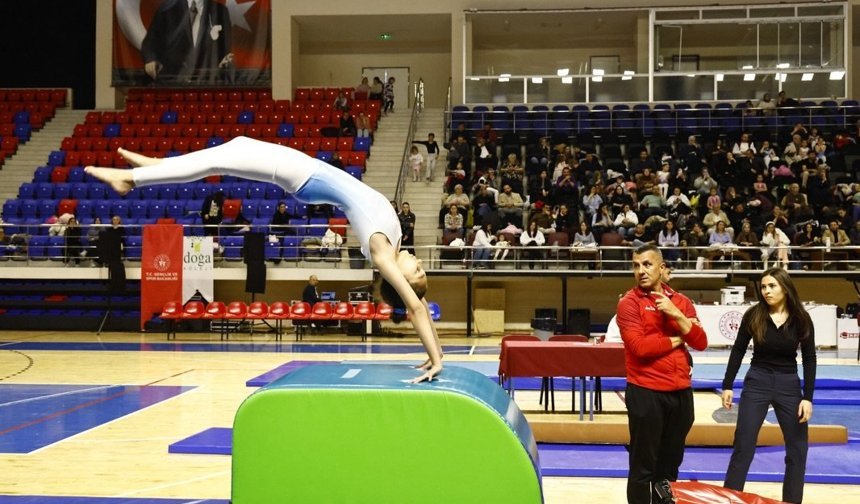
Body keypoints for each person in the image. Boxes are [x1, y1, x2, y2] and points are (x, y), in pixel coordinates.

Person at [84, 136, 443, 382]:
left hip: (301, 176)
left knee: (224, 157)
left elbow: (416, 309)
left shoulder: (382, 250)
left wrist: (437, 358)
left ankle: (131, 179)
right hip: (307, 169)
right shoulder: (394, 241)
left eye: (418, 272)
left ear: (401, 277)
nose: (419, 263)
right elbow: (416, 303)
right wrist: (435, 355)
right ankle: (158, 167)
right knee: (233, 149)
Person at [616, 244, 708, 504]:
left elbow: (701, 342)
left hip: (680, 394)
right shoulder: (628, 304)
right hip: (646, 392)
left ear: (662, 268)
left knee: (669, 468)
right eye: (636, 266)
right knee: (643, 468)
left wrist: (676, 314)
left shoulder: (681, 302)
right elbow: (640, 348)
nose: (640, 271)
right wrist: (682, 335)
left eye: (647, 264)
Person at [721, 268, 816, 504]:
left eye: (771, 286)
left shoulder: (801, 318)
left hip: (788, 384)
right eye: (763, 287)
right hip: (757, 381)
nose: (766, 291)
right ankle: (730, 499)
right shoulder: (754, 315)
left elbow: (810, 358)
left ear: (784, 287)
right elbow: (738, 350)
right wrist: (728, 385)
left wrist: (808, 397)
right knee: (743, 446)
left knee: (797, 450)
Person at [140, 0, 234, 84]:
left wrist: (225, 61)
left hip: (207, 84)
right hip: (172, 83)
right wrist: (151, 59)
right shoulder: (166, 9)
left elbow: (226, 49)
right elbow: (149, 44)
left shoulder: (220, 12)